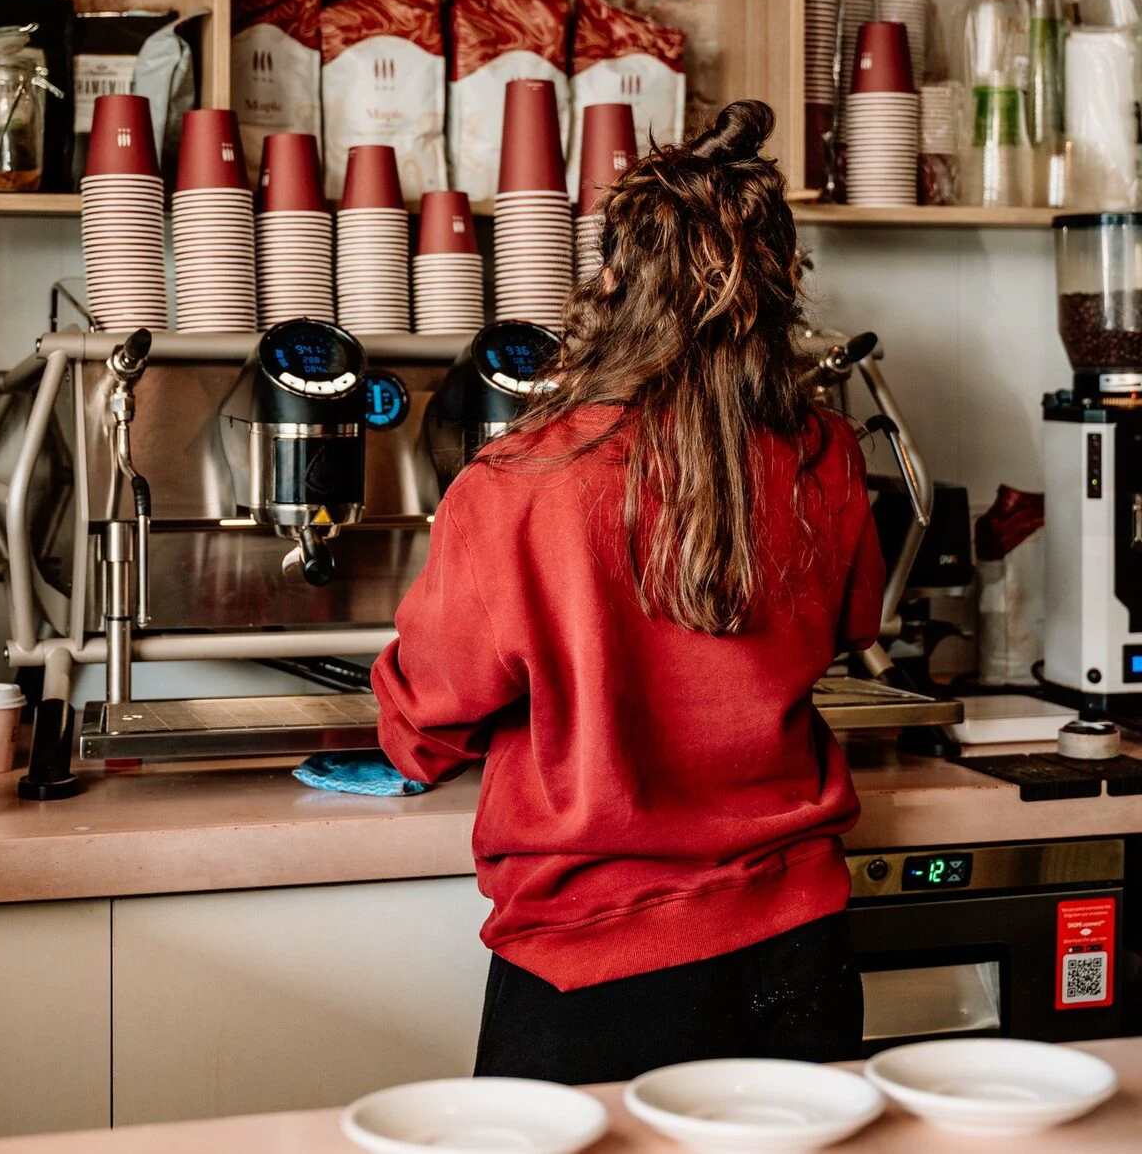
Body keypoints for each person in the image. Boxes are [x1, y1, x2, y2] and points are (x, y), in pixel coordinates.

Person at [372, 99, 885, 1084]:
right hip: (801, 945)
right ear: (776, 283)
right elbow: (849, 625)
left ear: (616, 279)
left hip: (599, 970)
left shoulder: (517, 484)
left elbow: (427, 718)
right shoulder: (826, 454)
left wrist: (418, 734)